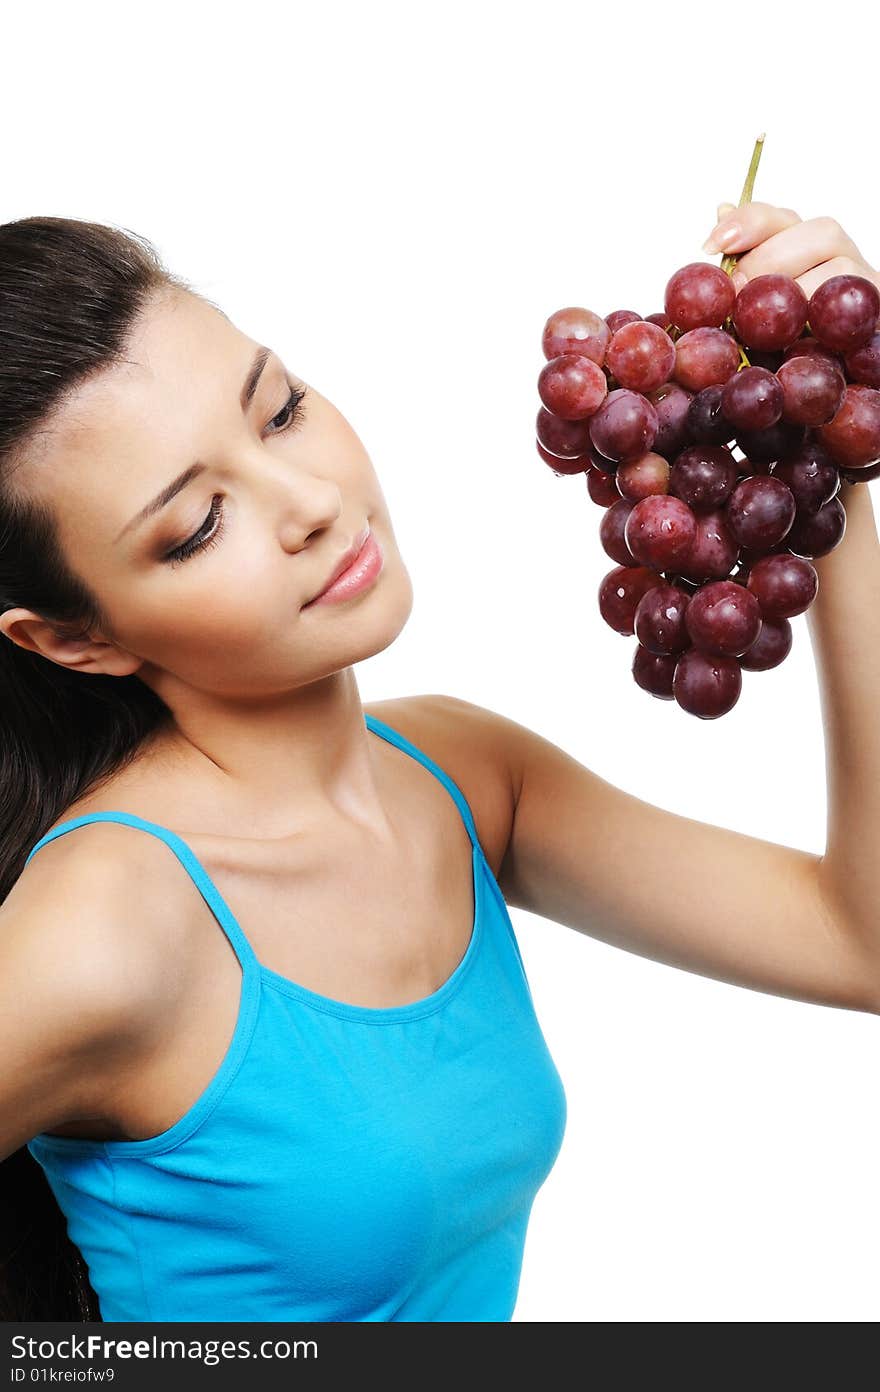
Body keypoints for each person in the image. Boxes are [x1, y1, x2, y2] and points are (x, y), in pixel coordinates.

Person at [0, 205, 878, 1323]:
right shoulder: (105, 928)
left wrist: (831, 436)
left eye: (279, 411)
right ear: (74, 637)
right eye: (197, 525)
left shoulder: (460, 776)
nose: (311, 504)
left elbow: (864, 943)